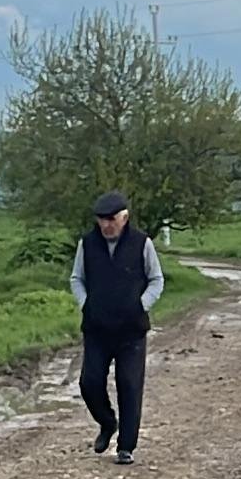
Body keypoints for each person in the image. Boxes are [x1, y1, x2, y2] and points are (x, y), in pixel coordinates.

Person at [71, 192, 165, 465]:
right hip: (97, 328)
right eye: (101, 220)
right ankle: (107, 422)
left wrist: (141, 305)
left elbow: (156, 279)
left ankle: (126, 447)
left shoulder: (141, 243)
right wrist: (86, 303)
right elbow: (77, 278)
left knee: (129, 385)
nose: (106, 225)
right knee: (89, 382)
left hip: (131, 330)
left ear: (124, 218)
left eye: (111, 219)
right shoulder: (87, 245)